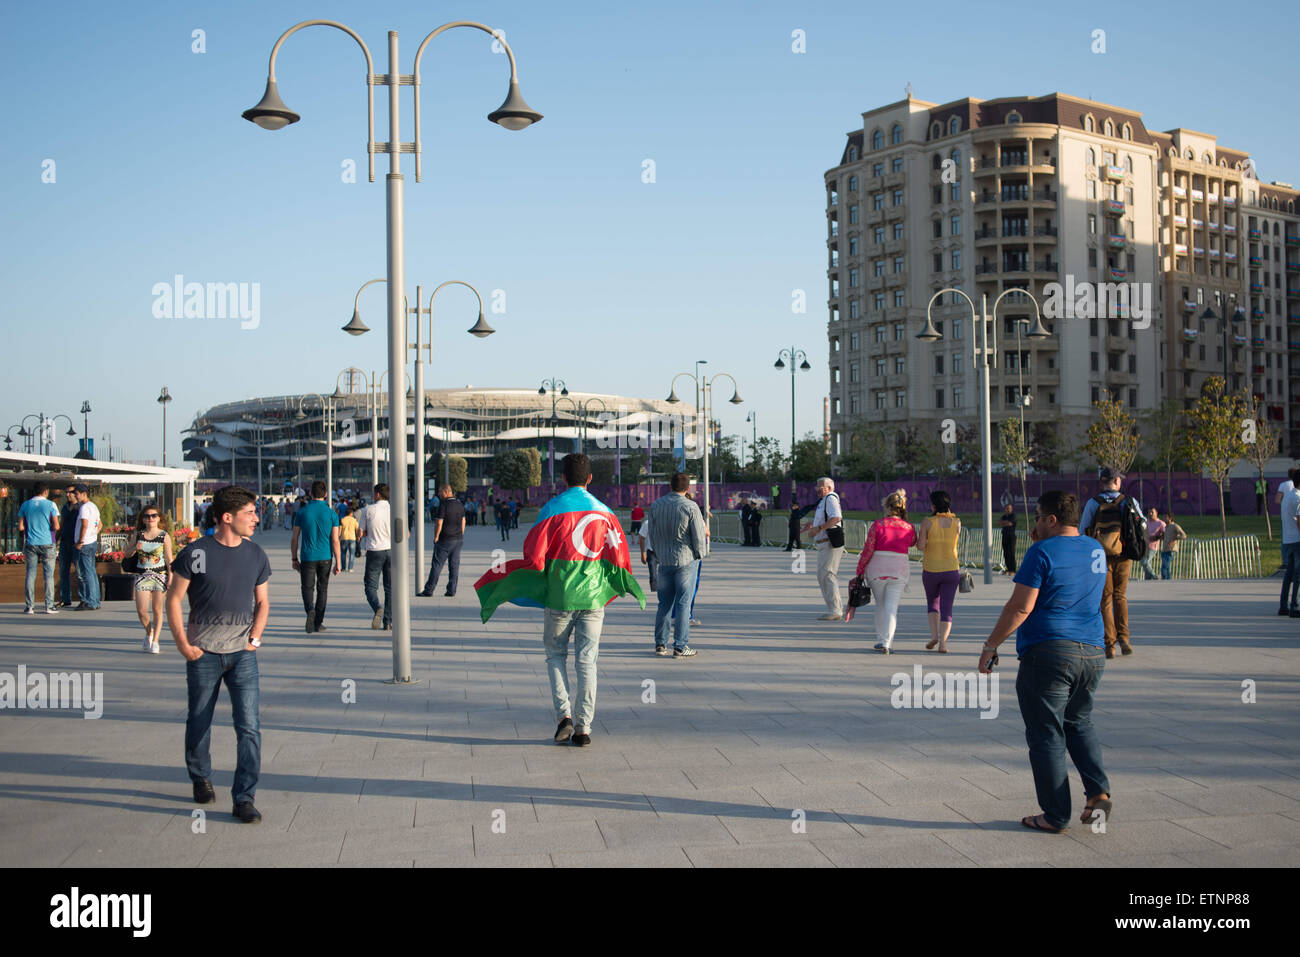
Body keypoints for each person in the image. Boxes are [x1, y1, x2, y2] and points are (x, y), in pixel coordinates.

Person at [474, 453, 645, 747]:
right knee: (587, 662)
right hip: (593, 599)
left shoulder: (552, 509)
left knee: (555, 656)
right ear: (590, 478)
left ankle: (563, 716)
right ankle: (583, 728)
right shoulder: (606, 513)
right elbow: (619, 557)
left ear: (563, 478)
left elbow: (535, 558)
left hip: (559, 598)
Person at [978, 490, 1111, 834]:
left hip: (1050, 653)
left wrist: (991, 645)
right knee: (1079, 723)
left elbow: (1020, 607)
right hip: (1092, 652)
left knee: (1046, 734)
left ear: (1051, 519)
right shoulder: (1096, 549)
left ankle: (1054, 815)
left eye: (1037, 517)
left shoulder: (1041, 552)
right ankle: (1098, 791)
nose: (1033, 524)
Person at [167, 485, 269, 824]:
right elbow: (173, 598)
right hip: (204, 654)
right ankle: (200, 775)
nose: (256, 518)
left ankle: (244, 798)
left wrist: (255, 637)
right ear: (227, 517)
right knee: (199, 720)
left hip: (242, 656)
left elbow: (263, 601)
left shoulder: (255, 554)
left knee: (250, 727)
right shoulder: (196, 553)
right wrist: (183, 643)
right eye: (249, 513)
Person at [1080, 468, 1142, 658]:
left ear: (1102, 482)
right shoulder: (1128, 502)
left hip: (1100, 556)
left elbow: (1083, 530)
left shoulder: (1093, 503)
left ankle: (1109, 645)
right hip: (1123, 555)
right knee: (1120, 596)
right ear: (1116, 481)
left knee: (1105, 599)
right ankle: (1124, 637)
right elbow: (1142, 523)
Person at [648, 472, 709, 657]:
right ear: (687, 488)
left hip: (664, 560)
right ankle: (680, 645)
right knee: (683, 603)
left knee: (664, 604)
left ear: (670, 485)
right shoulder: (690, 507)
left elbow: (652, 532)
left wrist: (659, 553)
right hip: (685, 560)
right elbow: (699, 536)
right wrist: (700, 555)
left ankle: (660, 644)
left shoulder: (656, 505)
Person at [854, 489, 917, 653]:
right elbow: (912, 542)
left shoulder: (878, 524)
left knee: (880, 606)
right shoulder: (909, 527)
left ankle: (881, 639)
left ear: (888, 508)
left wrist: (860, 569)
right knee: (892, 607)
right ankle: (887, 642)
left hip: (877, 569)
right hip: (899, 569)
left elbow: (868, 549)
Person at [291, 480, 341, 634]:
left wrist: (294, 558)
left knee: (307, 588)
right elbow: (335, 540)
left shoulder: (302, 512)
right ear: (326, 495)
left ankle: (310, 611)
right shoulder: (332, 513)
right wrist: (338, 562)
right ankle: (318, 622)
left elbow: (294, 538)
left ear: (311, 493)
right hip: (326, 557)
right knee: (322, 589)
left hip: (307, 556)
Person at [917, 490, 960, 653]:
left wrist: (927, 541)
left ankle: (934, 636)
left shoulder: (927, 522)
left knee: (933, 603)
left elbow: (921, 546)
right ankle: (943, 643)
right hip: (951, 569)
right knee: (947, 607)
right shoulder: (957, 522)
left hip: (931, 569)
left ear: (933, 505)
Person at [127, 503, 173, 652]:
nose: (151, 518)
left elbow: (168, 558)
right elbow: (126, 554)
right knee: (142, 610)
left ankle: (156, 641)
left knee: (157, 609)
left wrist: (171, 576)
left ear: (159, 518)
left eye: (154, 516)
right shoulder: (138, 534)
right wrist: (135, 548)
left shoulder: (164, 536)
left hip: (160, 574)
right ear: (143, 519)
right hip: (142, 574)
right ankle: (149, 632)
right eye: (147, 516)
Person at [802, 477, 845, 621]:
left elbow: (836, 518)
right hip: (824, 543)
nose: (818, 490)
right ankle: (834, 608)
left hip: (829, 543)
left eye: (820, 488)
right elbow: (827, 518)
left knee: (827, 575)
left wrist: (818, 528)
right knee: (823, 576)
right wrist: (812, 524)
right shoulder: (824, 501)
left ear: (829, 488)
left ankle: (836, 610)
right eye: (817, 488)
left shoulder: (830, 499)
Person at [18, 481, 60, 615]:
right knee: (48, 575)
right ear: (46, 491)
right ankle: (49, 605)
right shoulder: (50, 505)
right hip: (48, 542)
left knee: (30, 574)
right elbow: (57, 526)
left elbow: (21, 527)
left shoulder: (25, 505)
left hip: (31, 543)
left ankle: (30, 606)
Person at [419, 484, 466, 597]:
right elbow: (463, 520)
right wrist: (461, 533)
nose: (439, 494)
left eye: (440, 492)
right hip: (458, 539)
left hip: (445, 539)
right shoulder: (459, 504)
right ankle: (451, 590)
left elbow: (439, 522)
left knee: (437, 565)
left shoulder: (443, 504)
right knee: (454, 565)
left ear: (446, 492)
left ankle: (429, 590)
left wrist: (436, 536)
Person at [358, 484, 392, 629]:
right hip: (391, 551)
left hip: (374, 550)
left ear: (378, 494)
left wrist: (367, 533)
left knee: (370, 586)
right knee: (389, 588)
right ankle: (388, 622)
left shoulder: (368, 509)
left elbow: (361, 533)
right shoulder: (395, 509)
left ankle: (378, 607)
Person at [72, 483, 102, 610]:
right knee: (92, 572)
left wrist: (81, 540)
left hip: (85, 544)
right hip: (92, 542)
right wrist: (93, 534)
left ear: (84, 494)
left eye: (77, 494)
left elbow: (84, 524)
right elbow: (100, 524)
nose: (75, 496)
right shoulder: (93, 507)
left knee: (87, 572)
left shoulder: (84, 508)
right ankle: (96, 600)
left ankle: (92, 601)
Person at [56, 485, 81, 607]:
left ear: (76, 493)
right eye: (66, 492)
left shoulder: (82, 507)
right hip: (65, 542)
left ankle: (83, 599)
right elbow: (61, 524)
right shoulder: (65, 507)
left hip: (76, 543)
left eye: (70, 492)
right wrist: (55, 540)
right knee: (63, 571)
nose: (67, 494)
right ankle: (65, 598)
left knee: (80, 572)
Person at [1281, 468, 1300, 618]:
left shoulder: (1287, 496)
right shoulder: (1299, 497)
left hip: (1287, 539)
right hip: (1297, 539)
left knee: (1289, 574)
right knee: (1298, 575)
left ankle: (1283, 605)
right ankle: (1295, 606)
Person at [1159, 511, 1186, 580]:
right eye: (1163, 517)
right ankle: (1168, 580)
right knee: (1166, 567)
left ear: (1170, 518)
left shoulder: (1174, 526)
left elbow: (1184, 535)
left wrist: (1175, 539)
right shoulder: (1166, 527)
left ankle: (1165, 580)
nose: (1164, 519)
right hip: (1165, 549)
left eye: (1166, 517)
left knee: (1164, 566)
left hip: (1171, 549)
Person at [1140, 507, 1165, 581]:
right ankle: (1148, 578)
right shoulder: (1146, 522)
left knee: (1145, 562)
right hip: (1144, 546)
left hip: (1152, 547)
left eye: (1152, 512)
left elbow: (1165, 534)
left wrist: (1157, 537)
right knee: (1144, 562)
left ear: (1156, 513)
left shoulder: (1161, 523)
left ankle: (1155, 576)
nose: (1150, 514)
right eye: (1149, 512)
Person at [638, 512, 659, 593]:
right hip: (651, 552)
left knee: (665, 574)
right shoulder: (647, 523)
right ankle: (654, 591)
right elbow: (642, 537)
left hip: (664, 552)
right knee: (653, 574)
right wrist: (643, 554)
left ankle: (664, 589)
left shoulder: (666, 521)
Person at [999, 503, 1017, 575]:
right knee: (1006, 553)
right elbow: (999, 522)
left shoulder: (1013, 516)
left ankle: (1013, 570)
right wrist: (1005, 522)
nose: (1008, 510)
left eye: (1009, 508)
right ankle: (1008, 569)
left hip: (1011, 537)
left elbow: (1010, 523)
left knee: (1011, 553)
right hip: (1004, 536)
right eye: (1007, 508)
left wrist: (1005, 522)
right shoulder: (1004, 516)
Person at [339, 505, 359, 572]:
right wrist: (358, 536)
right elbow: (357, 529)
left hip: (344, 538)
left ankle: (343, 568)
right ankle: (350, 568)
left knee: (343, 553)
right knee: (352, 554)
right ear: (351, 514)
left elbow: (340, 529)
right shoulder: (354, 520)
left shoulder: (342, 520)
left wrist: (338, 537)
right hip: (352, 538)